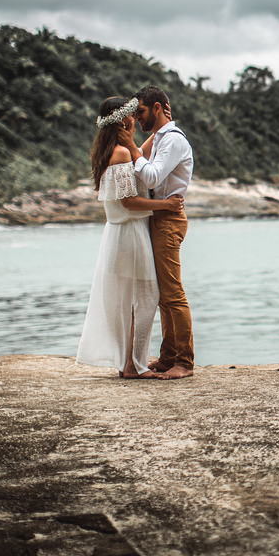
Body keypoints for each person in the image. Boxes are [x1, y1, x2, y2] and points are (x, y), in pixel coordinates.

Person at [76, 95, 184, 379]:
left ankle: (129, 363)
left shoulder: (114, 150)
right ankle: (134, 365)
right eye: (132, 115)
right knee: (145, 298)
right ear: (122, 120)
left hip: (119, 232)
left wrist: (164, 122)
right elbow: (129, 201)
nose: (136, 119)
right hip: (130, 232)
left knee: (130, 300)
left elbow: (142, 149)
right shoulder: (122, 154)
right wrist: (165, 205)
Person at [116, 85, 196, 380]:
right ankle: (168, 356)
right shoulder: (161, 137)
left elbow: (151, 176)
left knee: (173, 293)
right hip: (158, 217)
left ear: (158, 108)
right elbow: (139, 158)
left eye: (141, 112)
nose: (137, 118)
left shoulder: (173, 139)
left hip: (169, 219)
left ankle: (184, 362)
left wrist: (131, 145)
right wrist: (133, 144)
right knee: (163, 294)